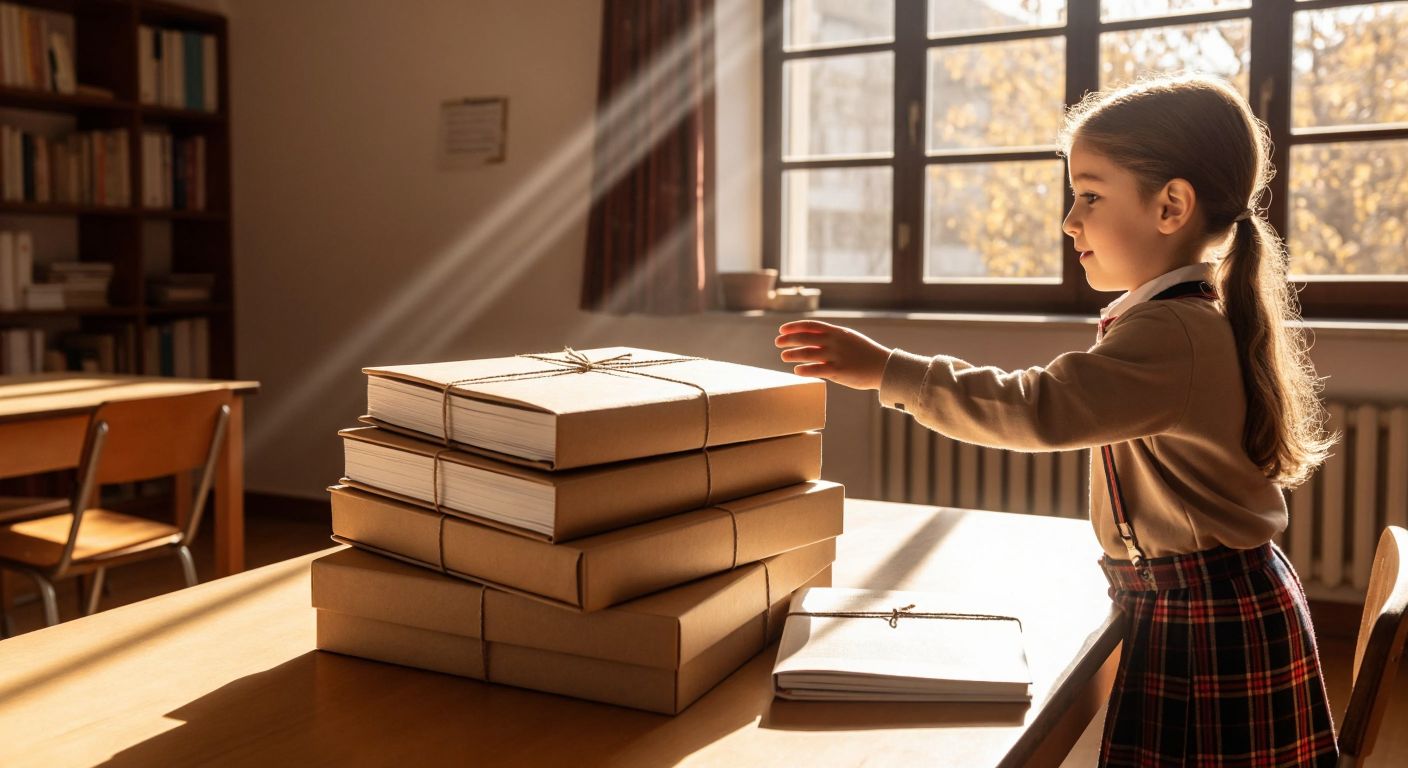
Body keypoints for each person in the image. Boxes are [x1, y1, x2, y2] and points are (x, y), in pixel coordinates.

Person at [775, 74, 1339, 767]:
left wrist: (889, 370)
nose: (1071, 221)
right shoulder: (1182, 316)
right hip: (1205, 602)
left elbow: (1036, 408)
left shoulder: (1172, 333)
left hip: (1206, 620)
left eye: (1090, 196)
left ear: (1172, 206)